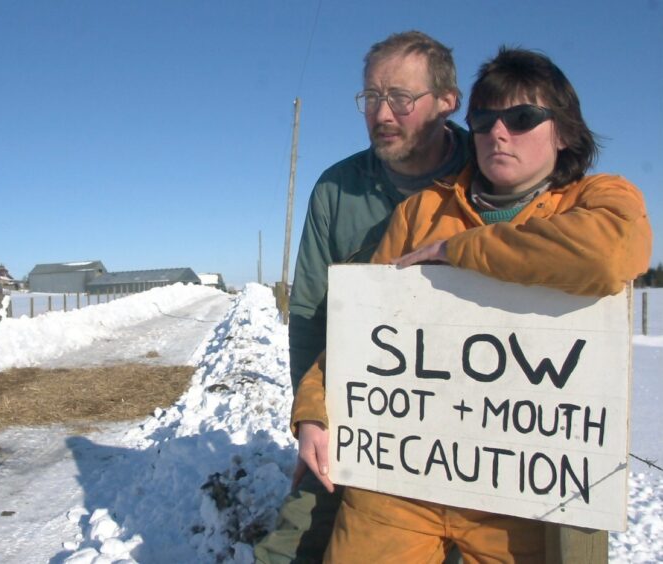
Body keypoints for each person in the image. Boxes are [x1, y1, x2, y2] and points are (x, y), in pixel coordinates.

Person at [291, 47, 652, 563]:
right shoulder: (422, 211)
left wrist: (457, 252)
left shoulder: (599, 199)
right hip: (404, 477)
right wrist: (313, 410)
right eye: (484, 119)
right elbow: (365, 328)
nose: (498, 133)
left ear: (565, 131)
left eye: (522, 118)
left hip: (523, 493)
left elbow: (608, 256)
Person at [254, 30, 470, 563]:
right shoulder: (336, 188)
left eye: (400, 97)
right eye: (371, 97)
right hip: (360, 406)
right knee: (293, 544)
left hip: (465, 419)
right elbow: (310, 312)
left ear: (448, 102)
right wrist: (312, 417)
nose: (382, 113)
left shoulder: (486, 171)